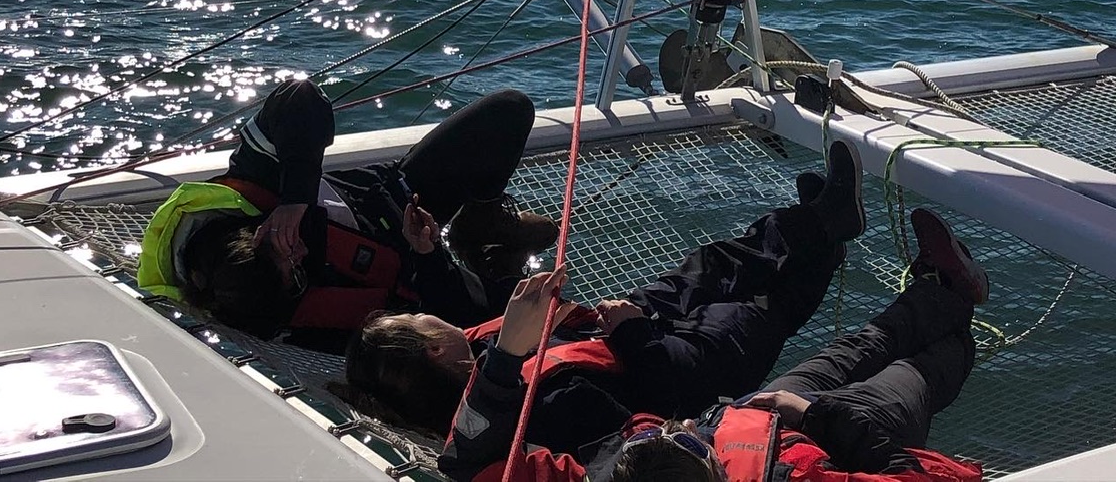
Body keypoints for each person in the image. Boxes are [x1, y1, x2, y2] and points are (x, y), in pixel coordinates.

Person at [338, 142, 869, 463]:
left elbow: (451, 304)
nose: (428, 312)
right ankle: (826, 230)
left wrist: (427, 252)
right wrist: (634, 333)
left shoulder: (467, 375)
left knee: (712, 263)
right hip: (683, 365)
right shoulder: (547, 409)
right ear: (433, 347)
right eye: (418, 317)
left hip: (622, 329)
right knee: (764, 305)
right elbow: (656, 414)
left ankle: (819, 223)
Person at [450, 207, 988, 482]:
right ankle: (953, 303)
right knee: (915, 374)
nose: (681, 422)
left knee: (855, 349)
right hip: (839, 436)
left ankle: (941, 290)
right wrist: (818, 419)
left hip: (766, 418)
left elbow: (466, 464)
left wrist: (504, 357)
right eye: (686, 436)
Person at [137, 81, 559, 349]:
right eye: (297, 272)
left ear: (256, 230)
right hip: (414, 260)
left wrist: (293, 201)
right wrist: (428, 253)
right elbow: (441, 323)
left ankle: (479, 222)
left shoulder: (253, 186)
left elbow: (298, 97)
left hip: (399, 191)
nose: (300, 250)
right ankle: (481, 257)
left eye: (284, 246)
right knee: (525, 314)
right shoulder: (287, 314)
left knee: (509, 109)